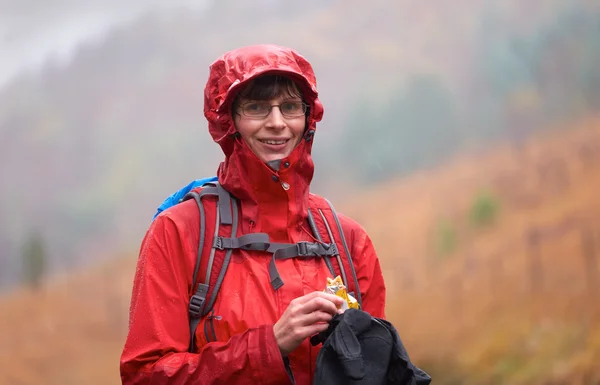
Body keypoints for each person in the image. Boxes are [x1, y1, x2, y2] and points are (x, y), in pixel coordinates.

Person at [120, 44, 387, 385]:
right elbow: (145, 376)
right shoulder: (178, 232)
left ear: (308, 118)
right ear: (228, 120)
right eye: (257, 107)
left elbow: (376, 370)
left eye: (290, 107)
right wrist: (270, 345)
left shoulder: (348, 242)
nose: (277, 123)